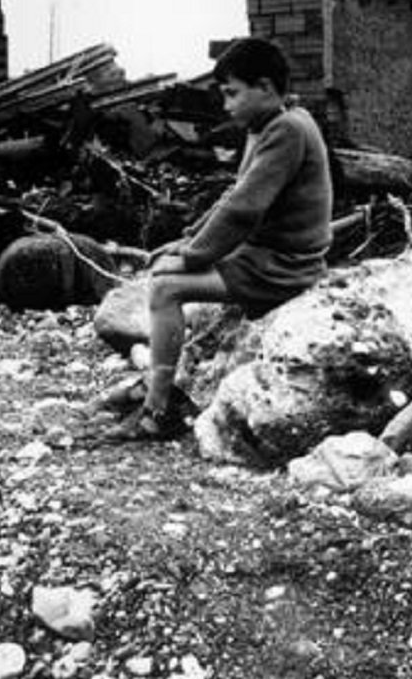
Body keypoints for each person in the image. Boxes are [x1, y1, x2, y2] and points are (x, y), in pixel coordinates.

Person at [104, 37, 332, 441]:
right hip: (262, 255)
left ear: (264, 87)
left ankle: (158, 408)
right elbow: (234, 196)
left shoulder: (288, 130)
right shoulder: (268, 124)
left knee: (166, 288)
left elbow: (245, 209)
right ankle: (157, 386)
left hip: (284, 267)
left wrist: (192, 258)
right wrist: (188, 240)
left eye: (232, 93)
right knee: (164, 274)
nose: (226, 105)